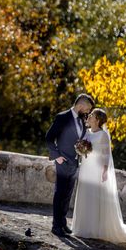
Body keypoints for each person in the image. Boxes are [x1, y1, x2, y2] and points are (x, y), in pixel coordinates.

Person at [71, 108, 126, 243]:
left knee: (95, 196)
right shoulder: (87, 132)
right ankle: (83, 227)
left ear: (98, 120)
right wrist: (80, 149)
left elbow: (106, 154)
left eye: (92, 115)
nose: (89, 116)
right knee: (85, 194)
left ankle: (94, 229)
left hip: (97, 169)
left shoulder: (103, 135)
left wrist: (105, 170)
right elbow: (81, 148)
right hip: (86, 168)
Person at [45, 93, 95, 237]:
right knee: (59, 193)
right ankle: (56, 226)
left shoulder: (82, 119)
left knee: (67, 195)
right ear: (81, 105)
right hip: (63, 161)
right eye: (88, 109)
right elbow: (49, 138)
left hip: (75, 162)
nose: (88, 112)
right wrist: (56, 156)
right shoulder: (62, 117)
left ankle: (62, 223)